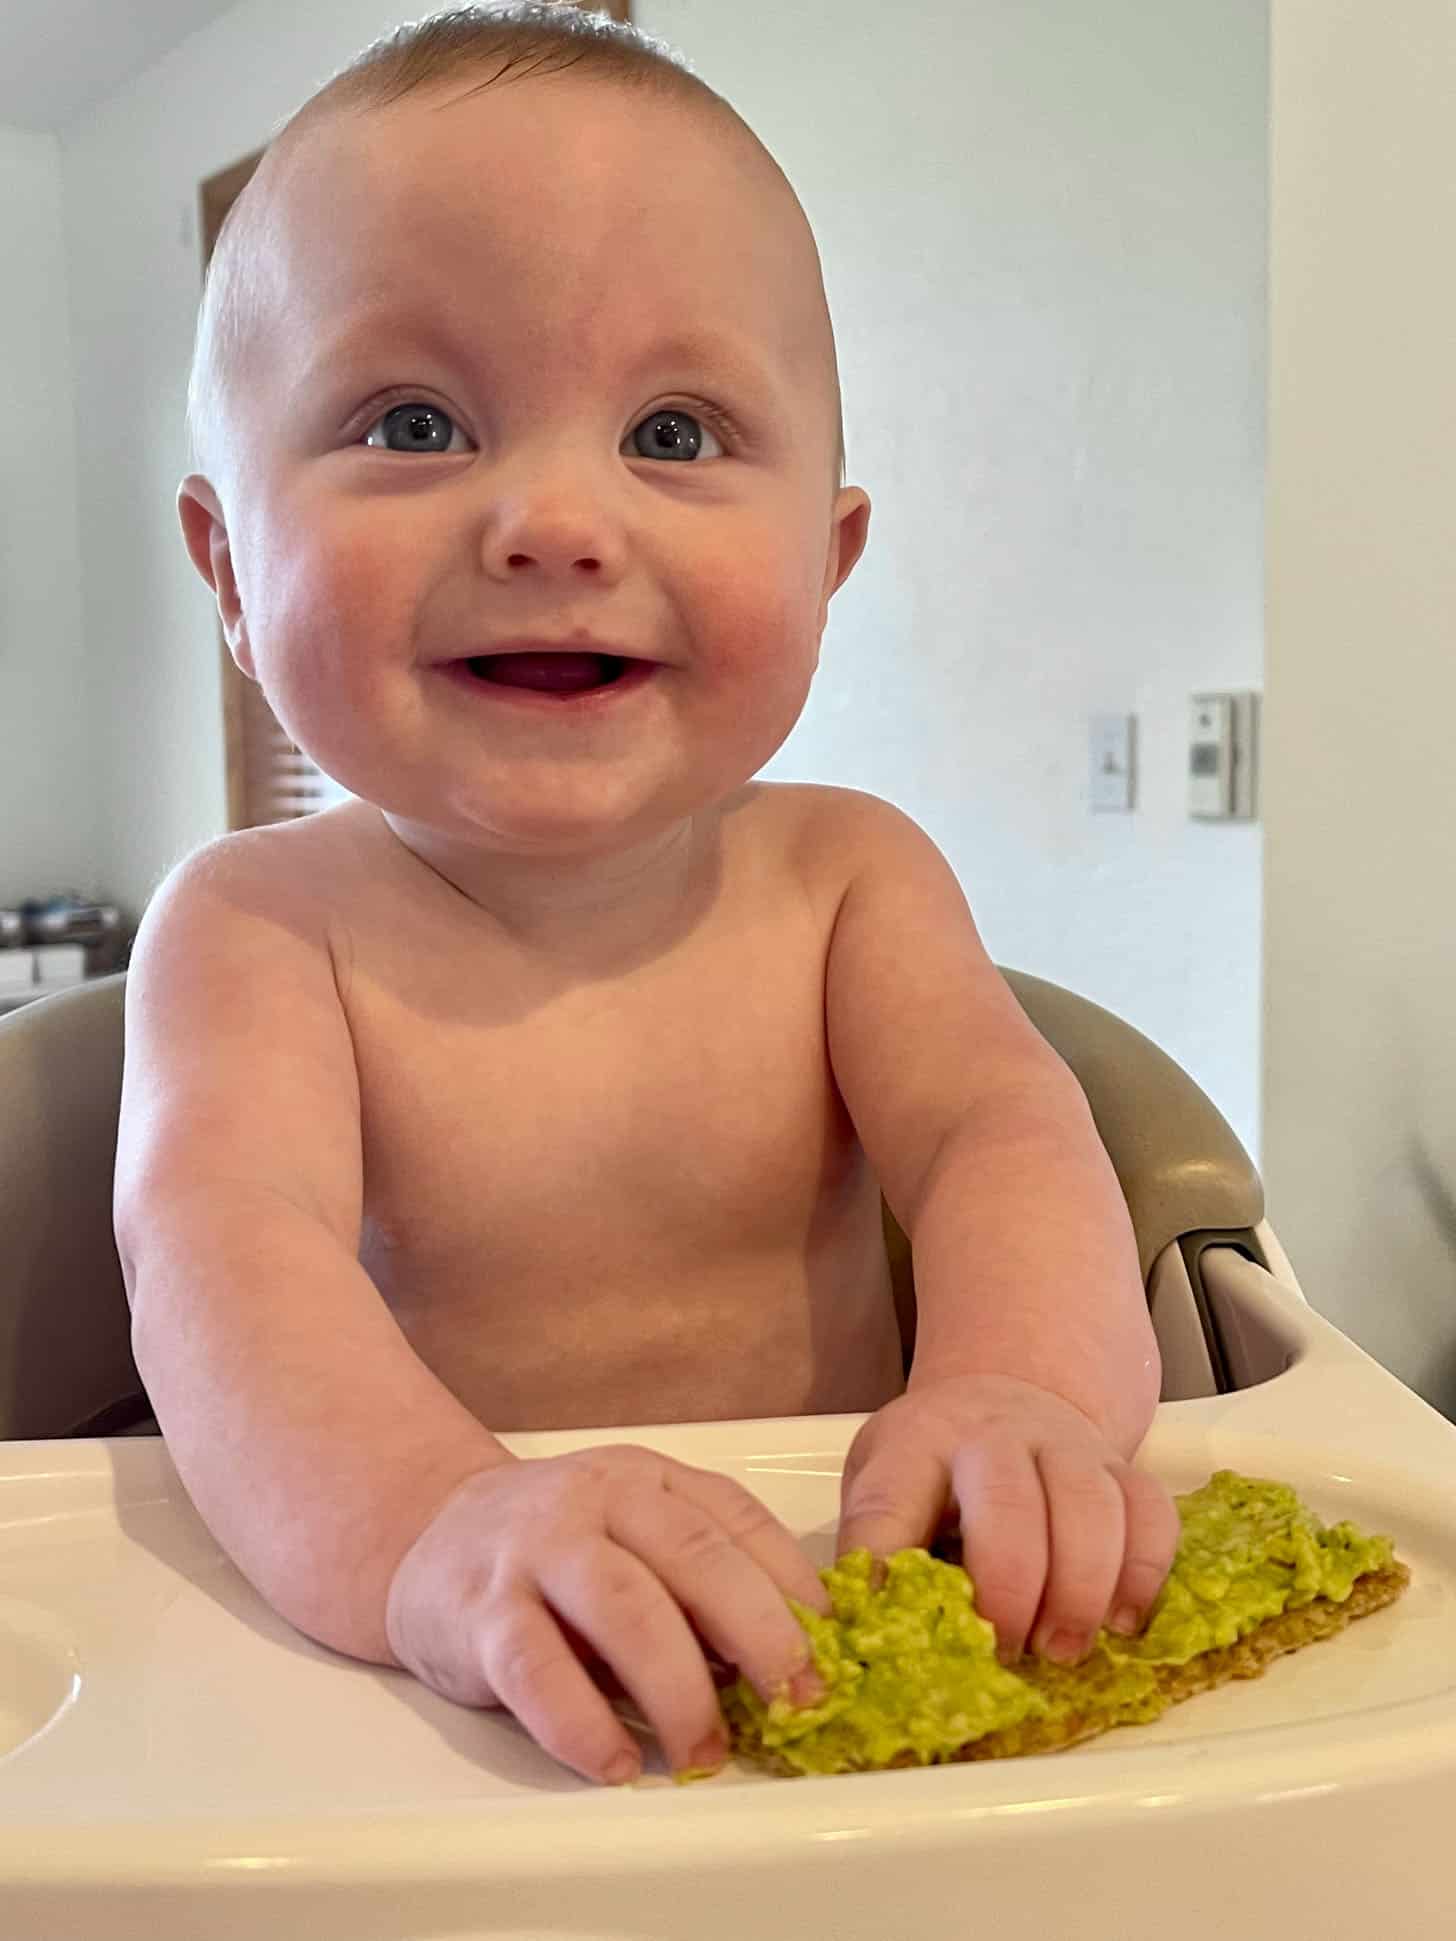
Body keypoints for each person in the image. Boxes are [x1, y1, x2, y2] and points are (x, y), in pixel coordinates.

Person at [115, 3, 1178, 1788]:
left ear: (826, 560)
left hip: (840, 1631)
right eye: (414, 420)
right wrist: (432, 1527)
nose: (554, 520)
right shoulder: (257, 929)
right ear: (230, 567)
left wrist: (1023, 1395)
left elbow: (998, 1136)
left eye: (674, 433)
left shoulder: (850, 881)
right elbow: (226, 1253)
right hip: (446, 1698)